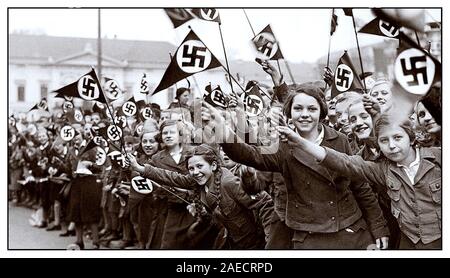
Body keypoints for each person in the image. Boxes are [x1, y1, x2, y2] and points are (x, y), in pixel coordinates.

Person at [211, 82, 389, 249]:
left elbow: (360, 186)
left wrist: (378, 226)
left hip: (350, 229)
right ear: (289, 112)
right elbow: (249, 155)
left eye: (312, 109)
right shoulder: (282, 144)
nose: (305, 114)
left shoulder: (339, 139)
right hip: (309, 234)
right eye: (298, 108)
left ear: (321, 112)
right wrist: (221, 128)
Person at [277, 113, 441, 249]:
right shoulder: (381, 169)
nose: (391, 145)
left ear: (411, 138)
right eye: (384, 140)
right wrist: (300, 142)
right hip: (409, 244)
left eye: (398, 137)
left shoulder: (438, 158)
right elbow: (344, 162)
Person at [126, 144, 274, 249]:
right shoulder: (197, 180)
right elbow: (171, 177)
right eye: (191, 168)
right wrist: (140, 168)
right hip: (232, 240)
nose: (195, 172)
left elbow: (265, 203)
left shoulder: (228, 182)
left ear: (214, 166)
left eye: (199, 166)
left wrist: (271, 243)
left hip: (252, 243)